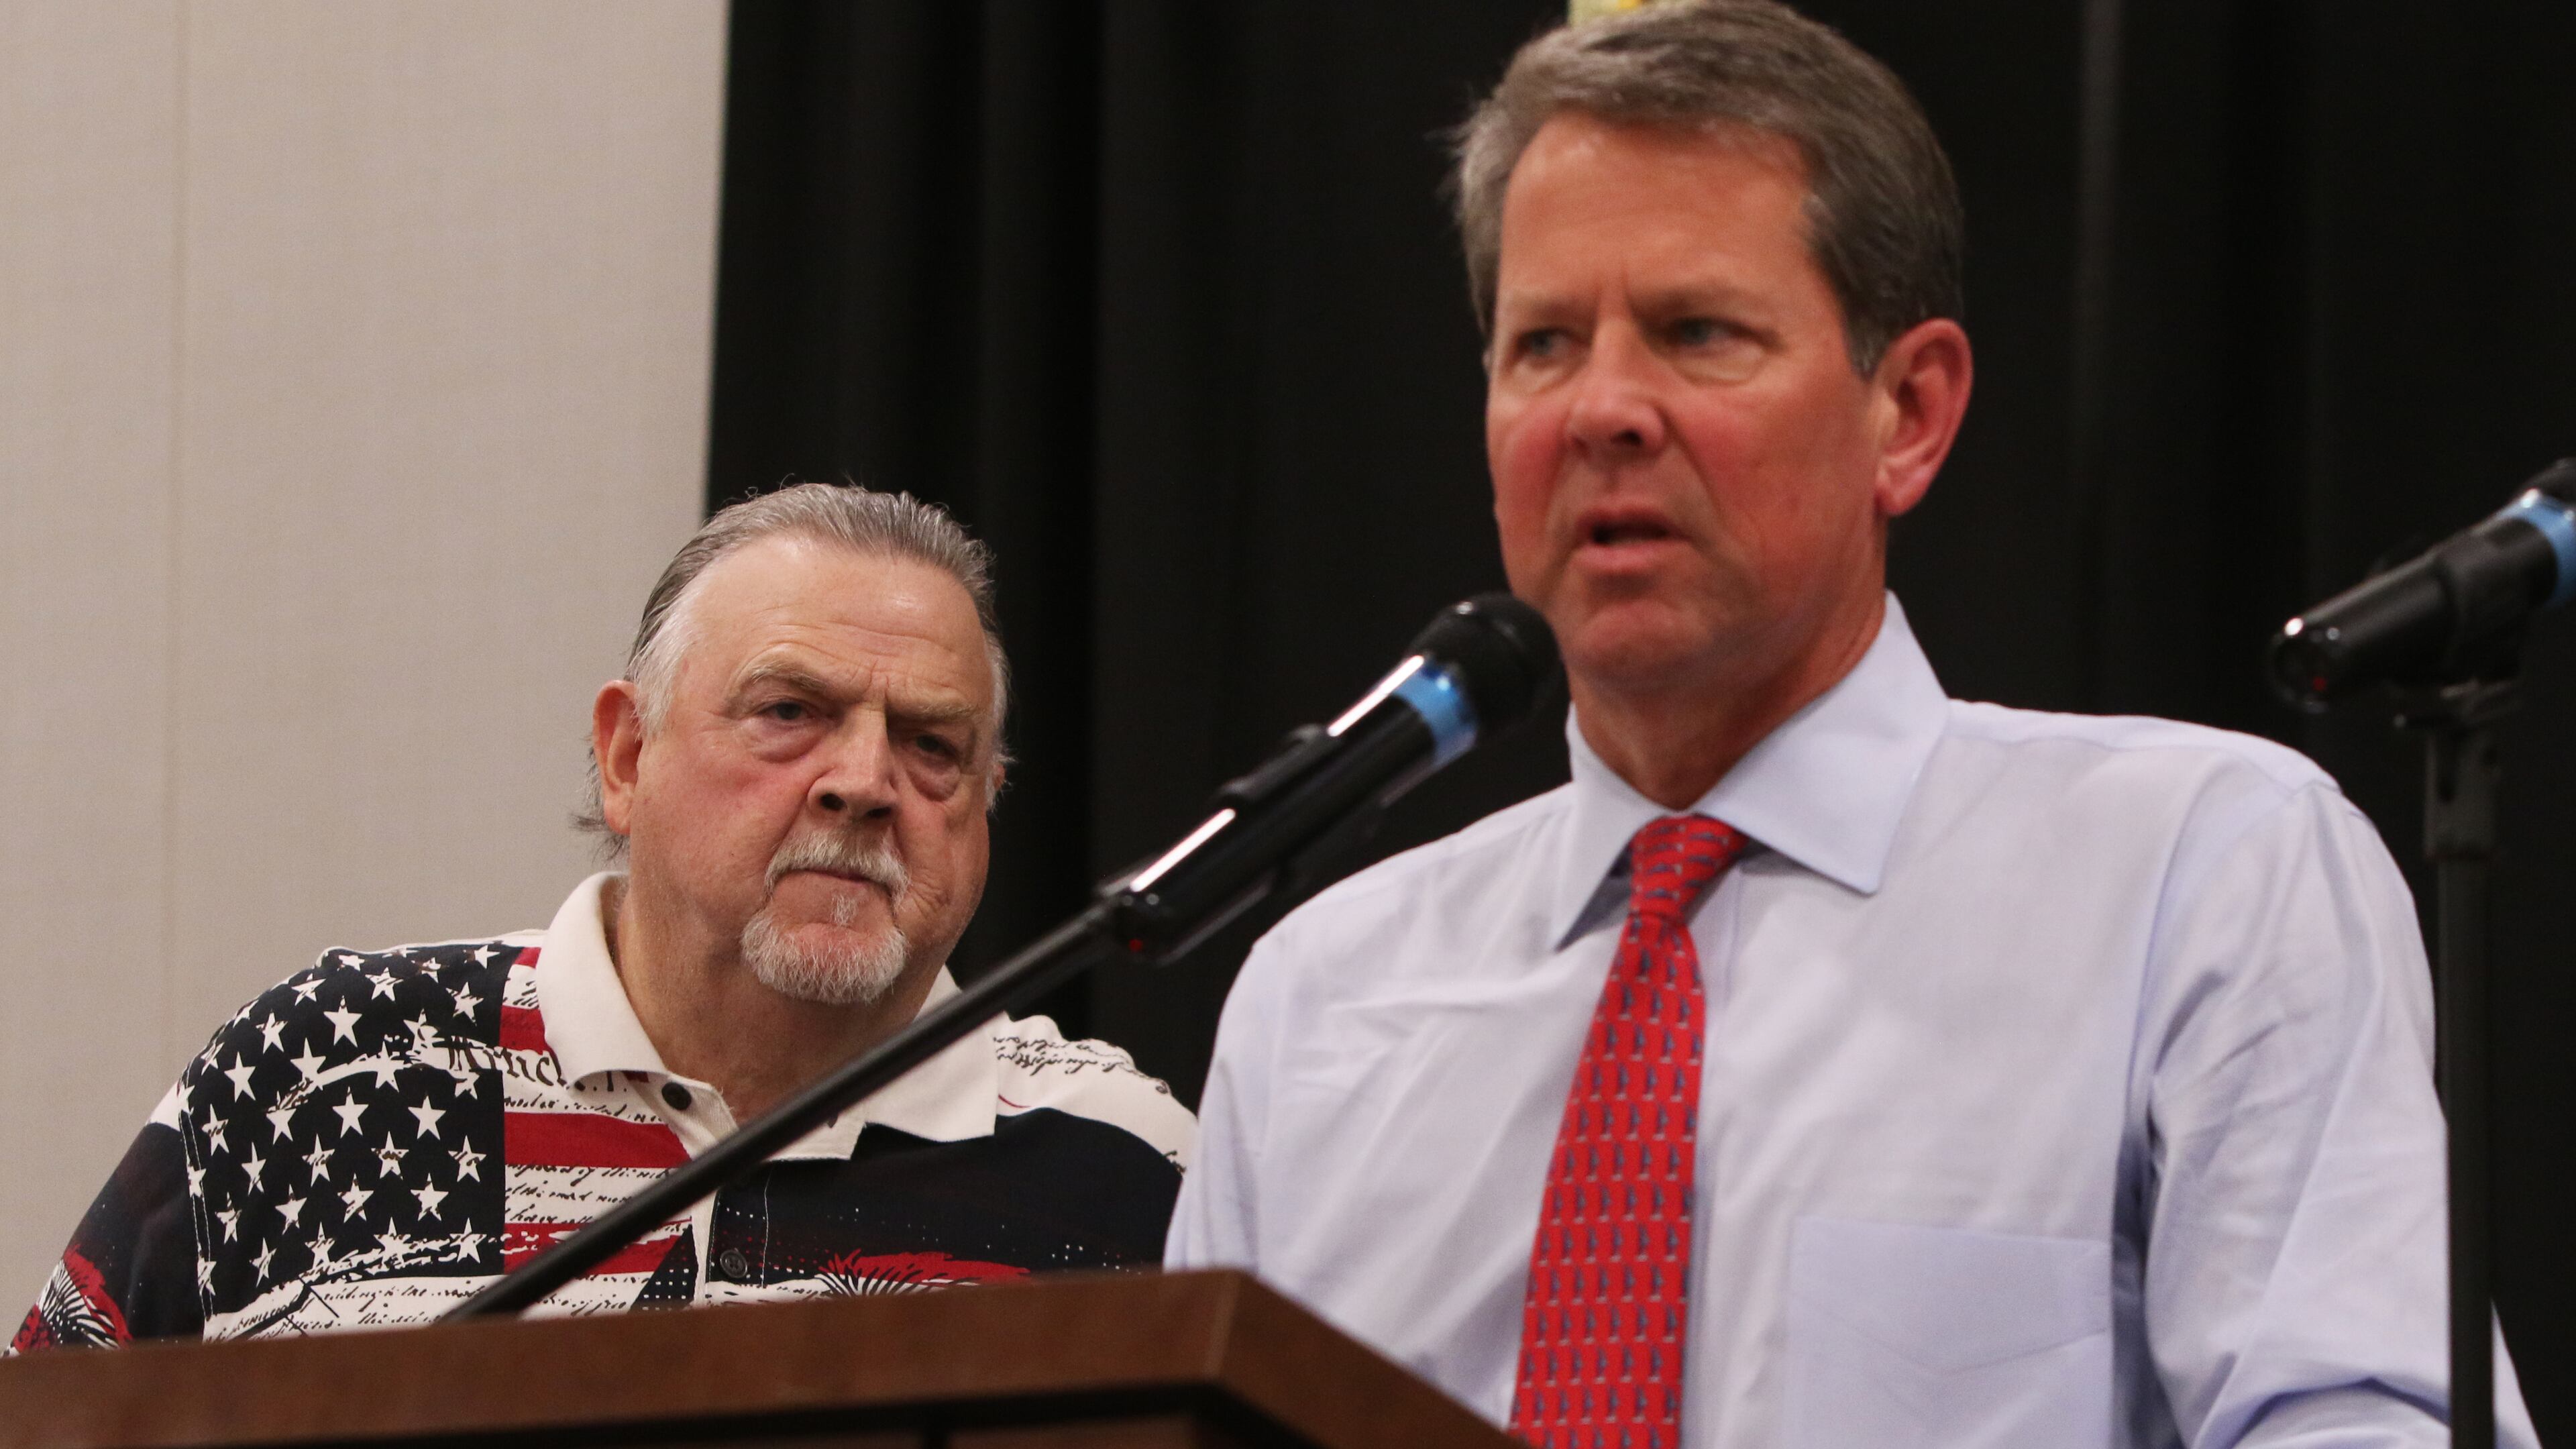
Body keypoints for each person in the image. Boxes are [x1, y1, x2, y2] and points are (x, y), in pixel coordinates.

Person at [1165, 4, 2534, 1447]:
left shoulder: (2199, 875)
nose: (1605, 409)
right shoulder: (1320, 1002)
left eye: (1699, 333)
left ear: (1912, 415)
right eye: (1545, 344)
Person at [16, 482, 1193, 1348]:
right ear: (628, 756)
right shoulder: (334, 1067)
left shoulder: (1125, 1166)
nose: (865, 782)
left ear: (988, 808)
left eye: (934, 745)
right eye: (791, 712)